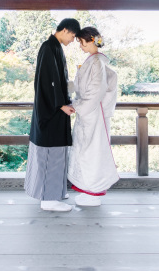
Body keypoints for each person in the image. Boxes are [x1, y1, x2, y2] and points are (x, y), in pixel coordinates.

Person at [25, 18, 81, 212]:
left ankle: (54, 192)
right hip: (50, 111)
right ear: (65, 30)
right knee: (51, 153)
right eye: (73, 36)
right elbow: (48, 83)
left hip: (55, 108)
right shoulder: (49, 47)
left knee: (57, 152)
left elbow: (58, 82)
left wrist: (63, 102)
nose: (73, 40)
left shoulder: (54, 47)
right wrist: (60, 105)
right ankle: (49, 199)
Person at [67, 26, 120, 207]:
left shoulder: (96, 62)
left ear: (91, 41)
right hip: (90, 112)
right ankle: (89, 190)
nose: (80, 46)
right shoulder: (94, 61)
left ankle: (94, 192)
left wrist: (77, 106)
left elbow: (95, 90)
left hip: (93, 113)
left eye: (81, 42)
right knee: (87, 151)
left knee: (92, 152)